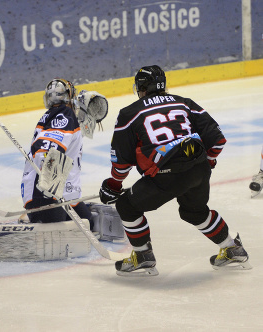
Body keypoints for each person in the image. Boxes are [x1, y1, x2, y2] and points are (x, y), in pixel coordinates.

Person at [99, 65, 251, 276]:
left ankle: (142, 256)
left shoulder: (129, 113)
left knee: (126, 206)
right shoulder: (185, 103)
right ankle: (232, 247)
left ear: (141, 87)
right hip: (198, 168)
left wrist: (113, 186)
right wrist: (208, 163)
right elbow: (218, 141)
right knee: (194, 211)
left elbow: (122, 163)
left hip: (166, 177)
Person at [21, 79, 108, 229]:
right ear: (69, 95)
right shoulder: (65, 115)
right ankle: (33, 220)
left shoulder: (59, 115)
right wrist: (50, 191)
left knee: (88, 223)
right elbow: (45, 151)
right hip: (45, 192)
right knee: (60, 236)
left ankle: (37, 217)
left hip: (61, 193)